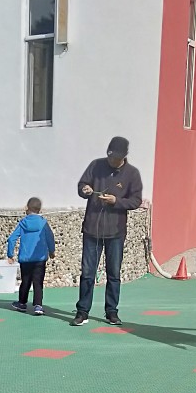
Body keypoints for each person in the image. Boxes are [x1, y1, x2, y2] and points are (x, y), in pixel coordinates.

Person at [73, 136, 144, 327]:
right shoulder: (96, 165)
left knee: (114, 274)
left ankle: (111, 311)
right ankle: (82, 311)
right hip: (92, 229)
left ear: (124, 156)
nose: (112, 160)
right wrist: (85, 189)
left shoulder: (132, 174)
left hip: (116, 232)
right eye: (110, 156)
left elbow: (136, 201)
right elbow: (81, 185)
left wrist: (116, 201)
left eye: (116, 158)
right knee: (88, 273)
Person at [7, 197, 56, 316]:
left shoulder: (23, 223)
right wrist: (51, 251)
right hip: (40, 258)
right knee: (38, 282)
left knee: (26, 281)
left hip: (25, 259)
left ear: (27, 208)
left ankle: (22, 303)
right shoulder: (43, 223)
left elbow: (12, 238)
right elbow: (50, 237)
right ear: (40, 209)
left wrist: (10, 254)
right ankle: (38, 305)